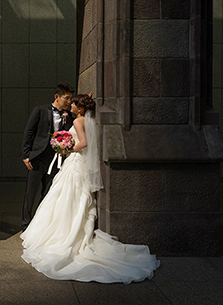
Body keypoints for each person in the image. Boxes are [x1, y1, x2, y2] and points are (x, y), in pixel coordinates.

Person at [21, 93, 160, 283]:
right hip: (79, 163)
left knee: (64, 195)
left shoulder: (78, 121)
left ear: (80, 108)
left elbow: (84, 143)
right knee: (70, 196)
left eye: (74, 104)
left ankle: (62, 232)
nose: (70, 106)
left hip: (75, 161)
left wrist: (66, 149)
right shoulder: (86, 119)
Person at [21, 83, 75, 232]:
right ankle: (25, 225)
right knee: (30, 193)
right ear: (57, 96)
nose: (69, 102)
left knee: (48, 192)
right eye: (67, 98)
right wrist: (26, 155)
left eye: (71, 99)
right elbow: (29, 132)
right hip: (37, 157)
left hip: (56, 159)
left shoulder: (68, 115)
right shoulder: (40, 110)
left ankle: (40, 224)